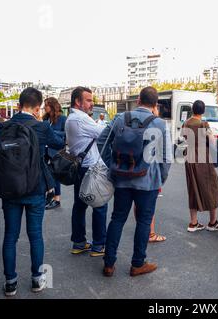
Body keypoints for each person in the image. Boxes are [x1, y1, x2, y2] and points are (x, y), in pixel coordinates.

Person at [98, 86, 172, 277]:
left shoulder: (120, 118)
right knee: (144, 221)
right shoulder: (160, 124)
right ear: (155, 105)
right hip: (148, 182)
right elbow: (166, 158)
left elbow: (101, 142)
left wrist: (112, 165)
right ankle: (137, 264)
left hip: (121, 178)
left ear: (138, 100)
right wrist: (160, 178)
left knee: (117, 218)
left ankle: (108, 264)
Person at [0, 88, 64, 296]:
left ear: (18, 106)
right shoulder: (42, 126)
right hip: (35, 188)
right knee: (35, 235)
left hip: (9, 189)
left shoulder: (4, 126)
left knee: (10, 236)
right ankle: (37, 279)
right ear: (37, 108)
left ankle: (10, 283)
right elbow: (59, 143)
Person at [65, 87, 108, 257]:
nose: (92, 103)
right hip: (91, 168)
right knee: (99, 205)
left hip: (81, 167)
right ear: (78, 101)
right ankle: (98, 245)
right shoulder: (81, 119)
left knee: (80, 205)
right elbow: (104, 133)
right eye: (89, 100)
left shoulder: (72, 118)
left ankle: (79, 242)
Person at [182, 100, 218, 232]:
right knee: (212, 187)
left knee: (193, 188)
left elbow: (183, 137)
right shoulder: (203, 124)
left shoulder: (186, 123)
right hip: (202, 158)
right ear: (203, 111)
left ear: (192, 110)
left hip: (190, 157)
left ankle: (193, 223)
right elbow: (212, 142)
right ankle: (213, 222)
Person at [43, 97, 67, 210]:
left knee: (56, 175)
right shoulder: (45, 119)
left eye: (46, 105)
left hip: (57, 150)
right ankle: (49, 193)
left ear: (52, 106)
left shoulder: (62, 118)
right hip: (45, 149)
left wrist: (51, 132)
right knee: (44, 172)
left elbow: (66, 134)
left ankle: (57, 199)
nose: (44, 107)